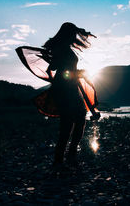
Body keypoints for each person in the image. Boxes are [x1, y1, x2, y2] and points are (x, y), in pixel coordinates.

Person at [41, 22, 98, 166]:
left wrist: (75, 73)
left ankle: (69, 155)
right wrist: (76, 73)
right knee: (68, 123)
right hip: (64, 88)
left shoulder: (64, 48)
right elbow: (54, 68)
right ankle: (60, 159)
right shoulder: (61, 49)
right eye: (72, 34)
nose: (75, 36)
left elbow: (54, 68)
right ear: (67, 34)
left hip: (71, 86)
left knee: (79, 119)